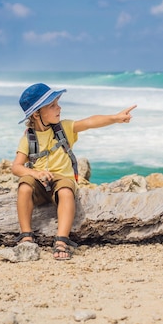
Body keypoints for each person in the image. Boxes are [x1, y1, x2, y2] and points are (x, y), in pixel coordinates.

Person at [11, 83, 136, 260]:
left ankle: (62, 239)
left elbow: (90, 122)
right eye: (52, 105)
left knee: (65, 192)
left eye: (57, 103)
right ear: (37, 113)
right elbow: (16, 167)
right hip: (39, 181)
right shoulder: (28, 138)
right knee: (24, 187)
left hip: (62, 178)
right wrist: (35, 174)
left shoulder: (65, 128)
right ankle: (26, 235)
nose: (59, 108)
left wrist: (115, 118)